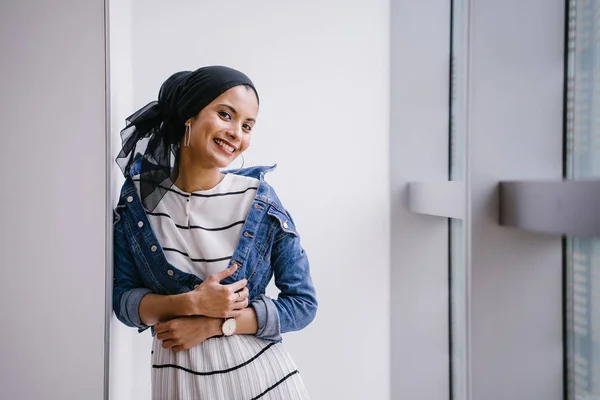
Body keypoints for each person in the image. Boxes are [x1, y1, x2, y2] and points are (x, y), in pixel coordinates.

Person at [112, 65, 318, 400]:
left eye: (247, 125)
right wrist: (191, 303)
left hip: (263, 382)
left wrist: (215, 324)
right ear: (189, 116)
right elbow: (123, 301)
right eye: (226, 114)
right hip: (178, 387)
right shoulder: (138, 200)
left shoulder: (259, 200)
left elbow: (303, 304)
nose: (237, 132)